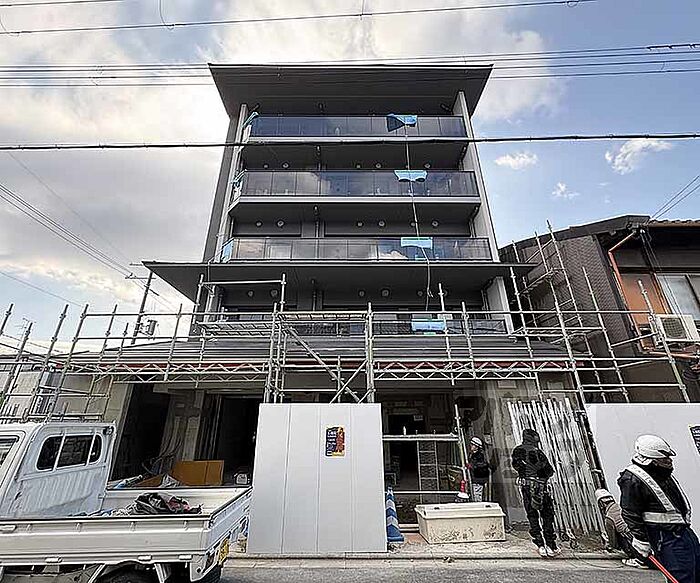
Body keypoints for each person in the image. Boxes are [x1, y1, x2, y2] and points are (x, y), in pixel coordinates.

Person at [618, 434, 699, 583]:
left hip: (684, 533)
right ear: (652, 461)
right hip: (665, 537)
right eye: (665, 459)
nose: (669, 461)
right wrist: (641, 540)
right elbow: (630, 512)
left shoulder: (662, 474)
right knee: (681, 576)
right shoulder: (632, 479)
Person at [511, 428, 560, 558]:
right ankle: (551, 545)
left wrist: (524, 474)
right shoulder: (538, 452)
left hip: (527, 487)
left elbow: (516, 466)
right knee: (547, 515)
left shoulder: (517, 451)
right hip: (541, 487)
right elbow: (549, 471)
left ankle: (540, 544)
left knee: (532, 515)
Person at [595, 488, 649, 569]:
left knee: (619, 532)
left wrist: (608, 545)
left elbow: (613, 543)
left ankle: (636, 558)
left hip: (632, 542)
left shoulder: (609, 518)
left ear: (601, 504)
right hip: (642, 538)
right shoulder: (621, 506)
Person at [468, 437, 491, 502]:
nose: (471, 446)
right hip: (474, 479)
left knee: (477, 496)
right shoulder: (472, 454)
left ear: (477, 447)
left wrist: (472, 466)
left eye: (472, 445)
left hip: (478, 480)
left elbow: (481, 465)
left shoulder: (479, 456)